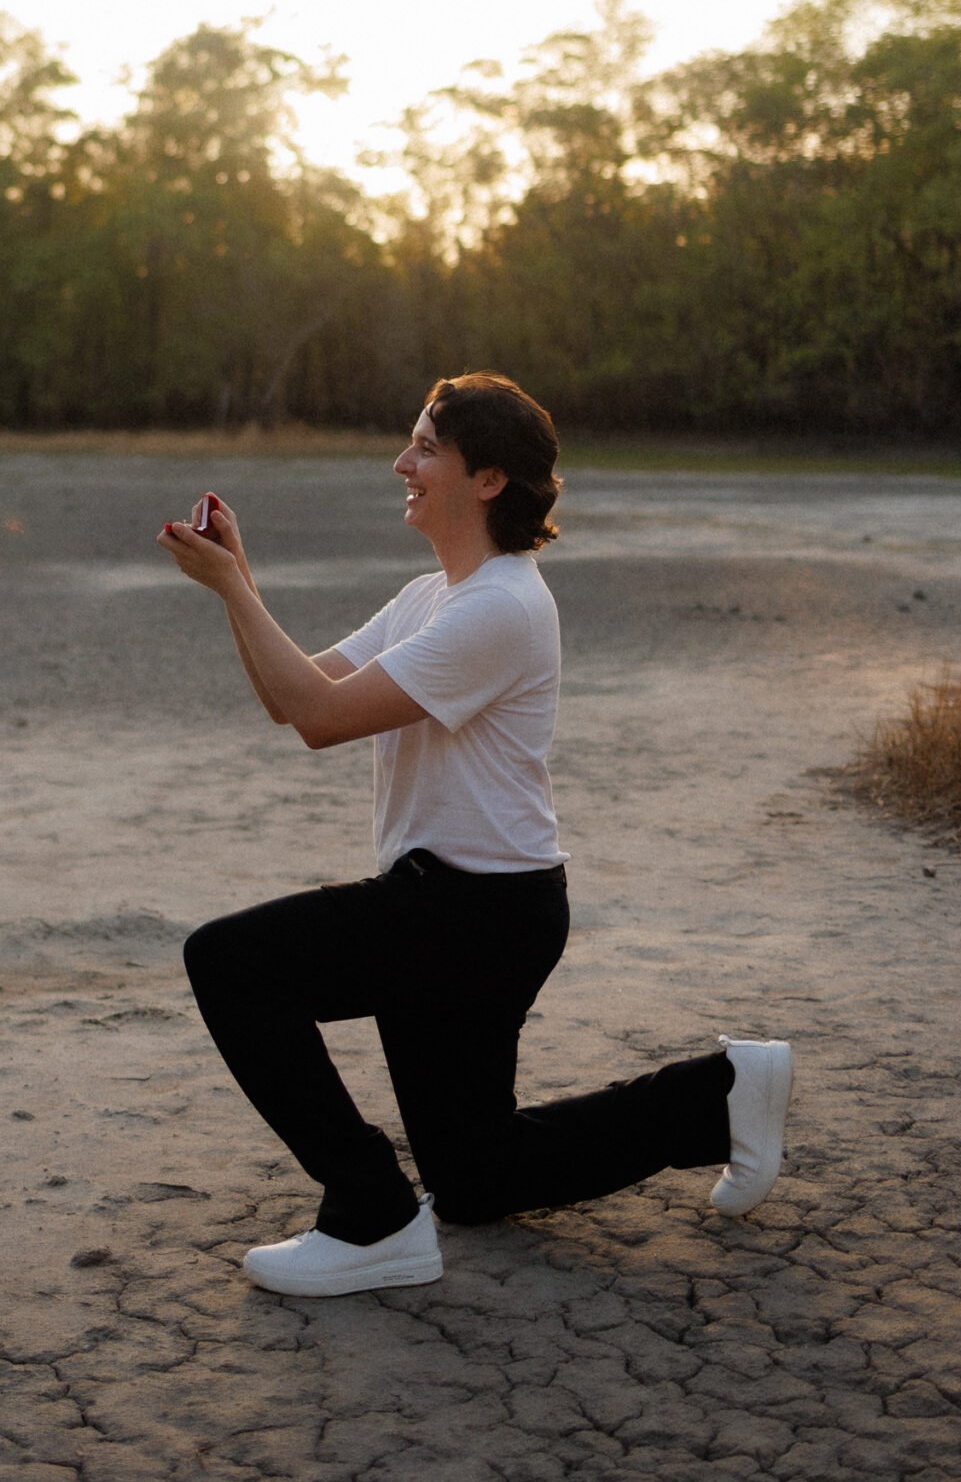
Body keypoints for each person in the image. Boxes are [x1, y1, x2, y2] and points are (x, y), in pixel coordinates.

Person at [157, 372, 791, 1297]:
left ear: (488, 478)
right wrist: (236, 581)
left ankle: (370, 1214)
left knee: (231, 963)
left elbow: (320, 718)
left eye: (425, 447)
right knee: (476, 1175)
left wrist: (230, 586)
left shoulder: (501, 607)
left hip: (474, 912)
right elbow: (293, 699)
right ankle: (722, 1093)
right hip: (468, 908)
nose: (401, 463)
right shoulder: (432, 595)